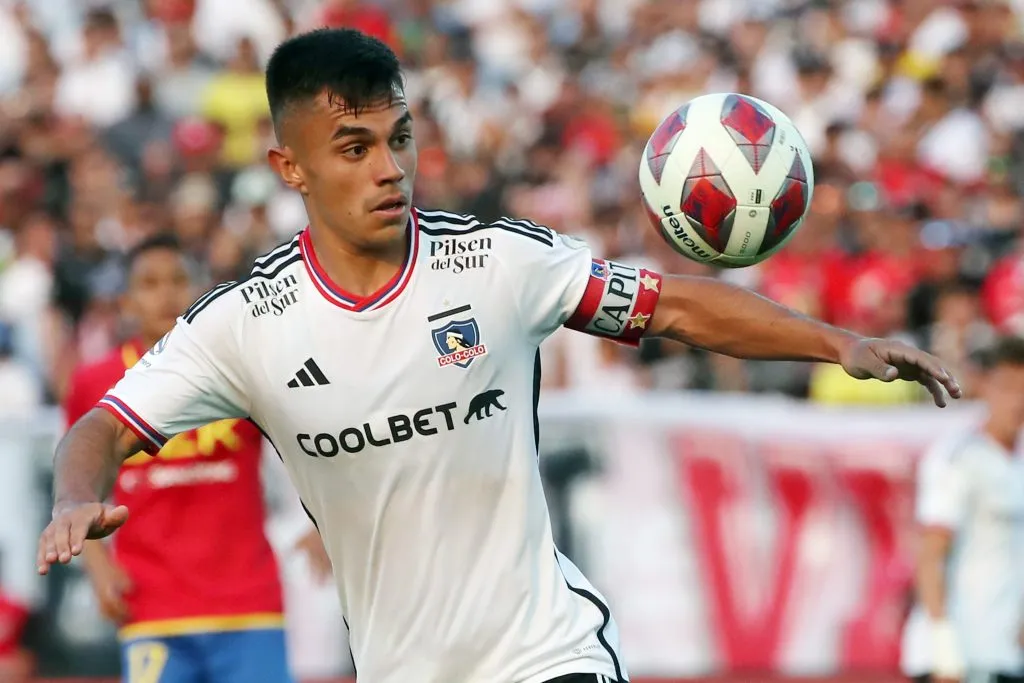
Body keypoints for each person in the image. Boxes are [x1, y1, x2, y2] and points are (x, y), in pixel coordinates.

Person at [37, 28, 961, 683]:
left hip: (545, 653)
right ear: (291, 168)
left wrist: (836, 341)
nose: (388, 168)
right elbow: (101, 426)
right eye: (353, 148)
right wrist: (77, 496)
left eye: (398, 139)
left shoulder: (497, 261)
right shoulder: (244, 323)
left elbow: (673, 304)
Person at [61, 235, 301, 683]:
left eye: (178, 280)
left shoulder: (242, 368)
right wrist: (98, 568)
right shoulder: (94, 382)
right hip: (151, 604)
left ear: (200, 291)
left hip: (248, 602)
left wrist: (317, 527)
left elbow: (305, 447)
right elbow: (79, 486)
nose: (166, 293)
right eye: (150, 283)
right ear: (127, 301)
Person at [900, 337, 1024, 683]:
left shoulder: (1019, 462)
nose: (1018, 399)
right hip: (960, 658)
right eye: (1009, 387)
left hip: (1004, 653)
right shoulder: (959, 458)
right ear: (984, 385)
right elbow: (930, 555)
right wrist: (944, 647)